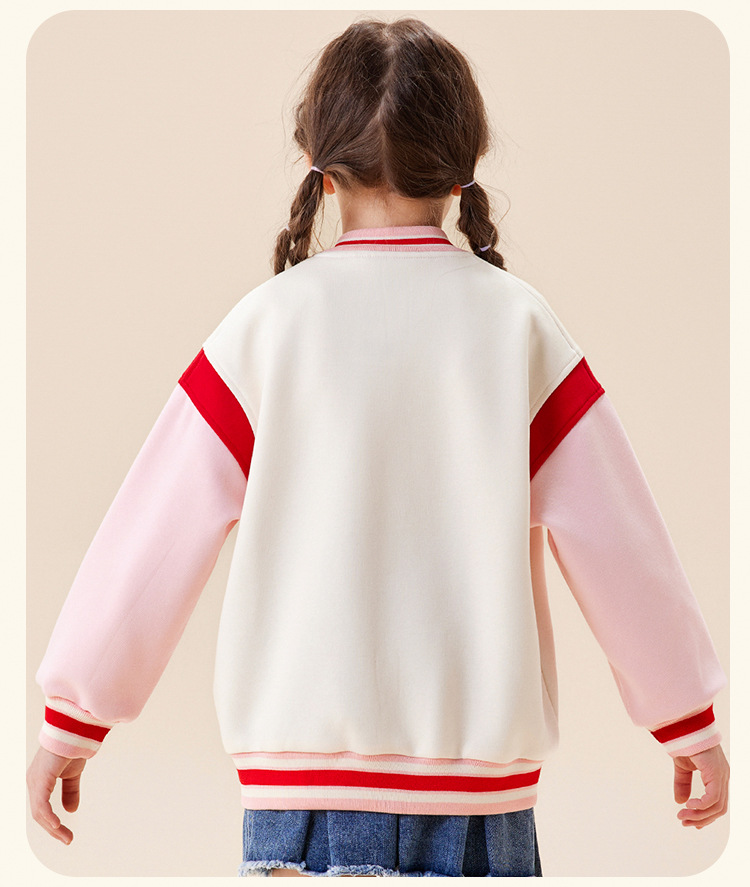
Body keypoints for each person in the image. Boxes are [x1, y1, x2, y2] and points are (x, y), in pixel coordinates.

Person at [27, 16, 728, 878]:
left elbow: (151, 537)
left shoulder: (266, 329)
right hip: (482, 817)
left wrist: (74, 719)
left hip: (297, 814)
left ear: (318, 164)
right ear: (465, 167)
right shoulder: (518, 329)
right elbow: (620, 542)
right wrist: (685, 719)